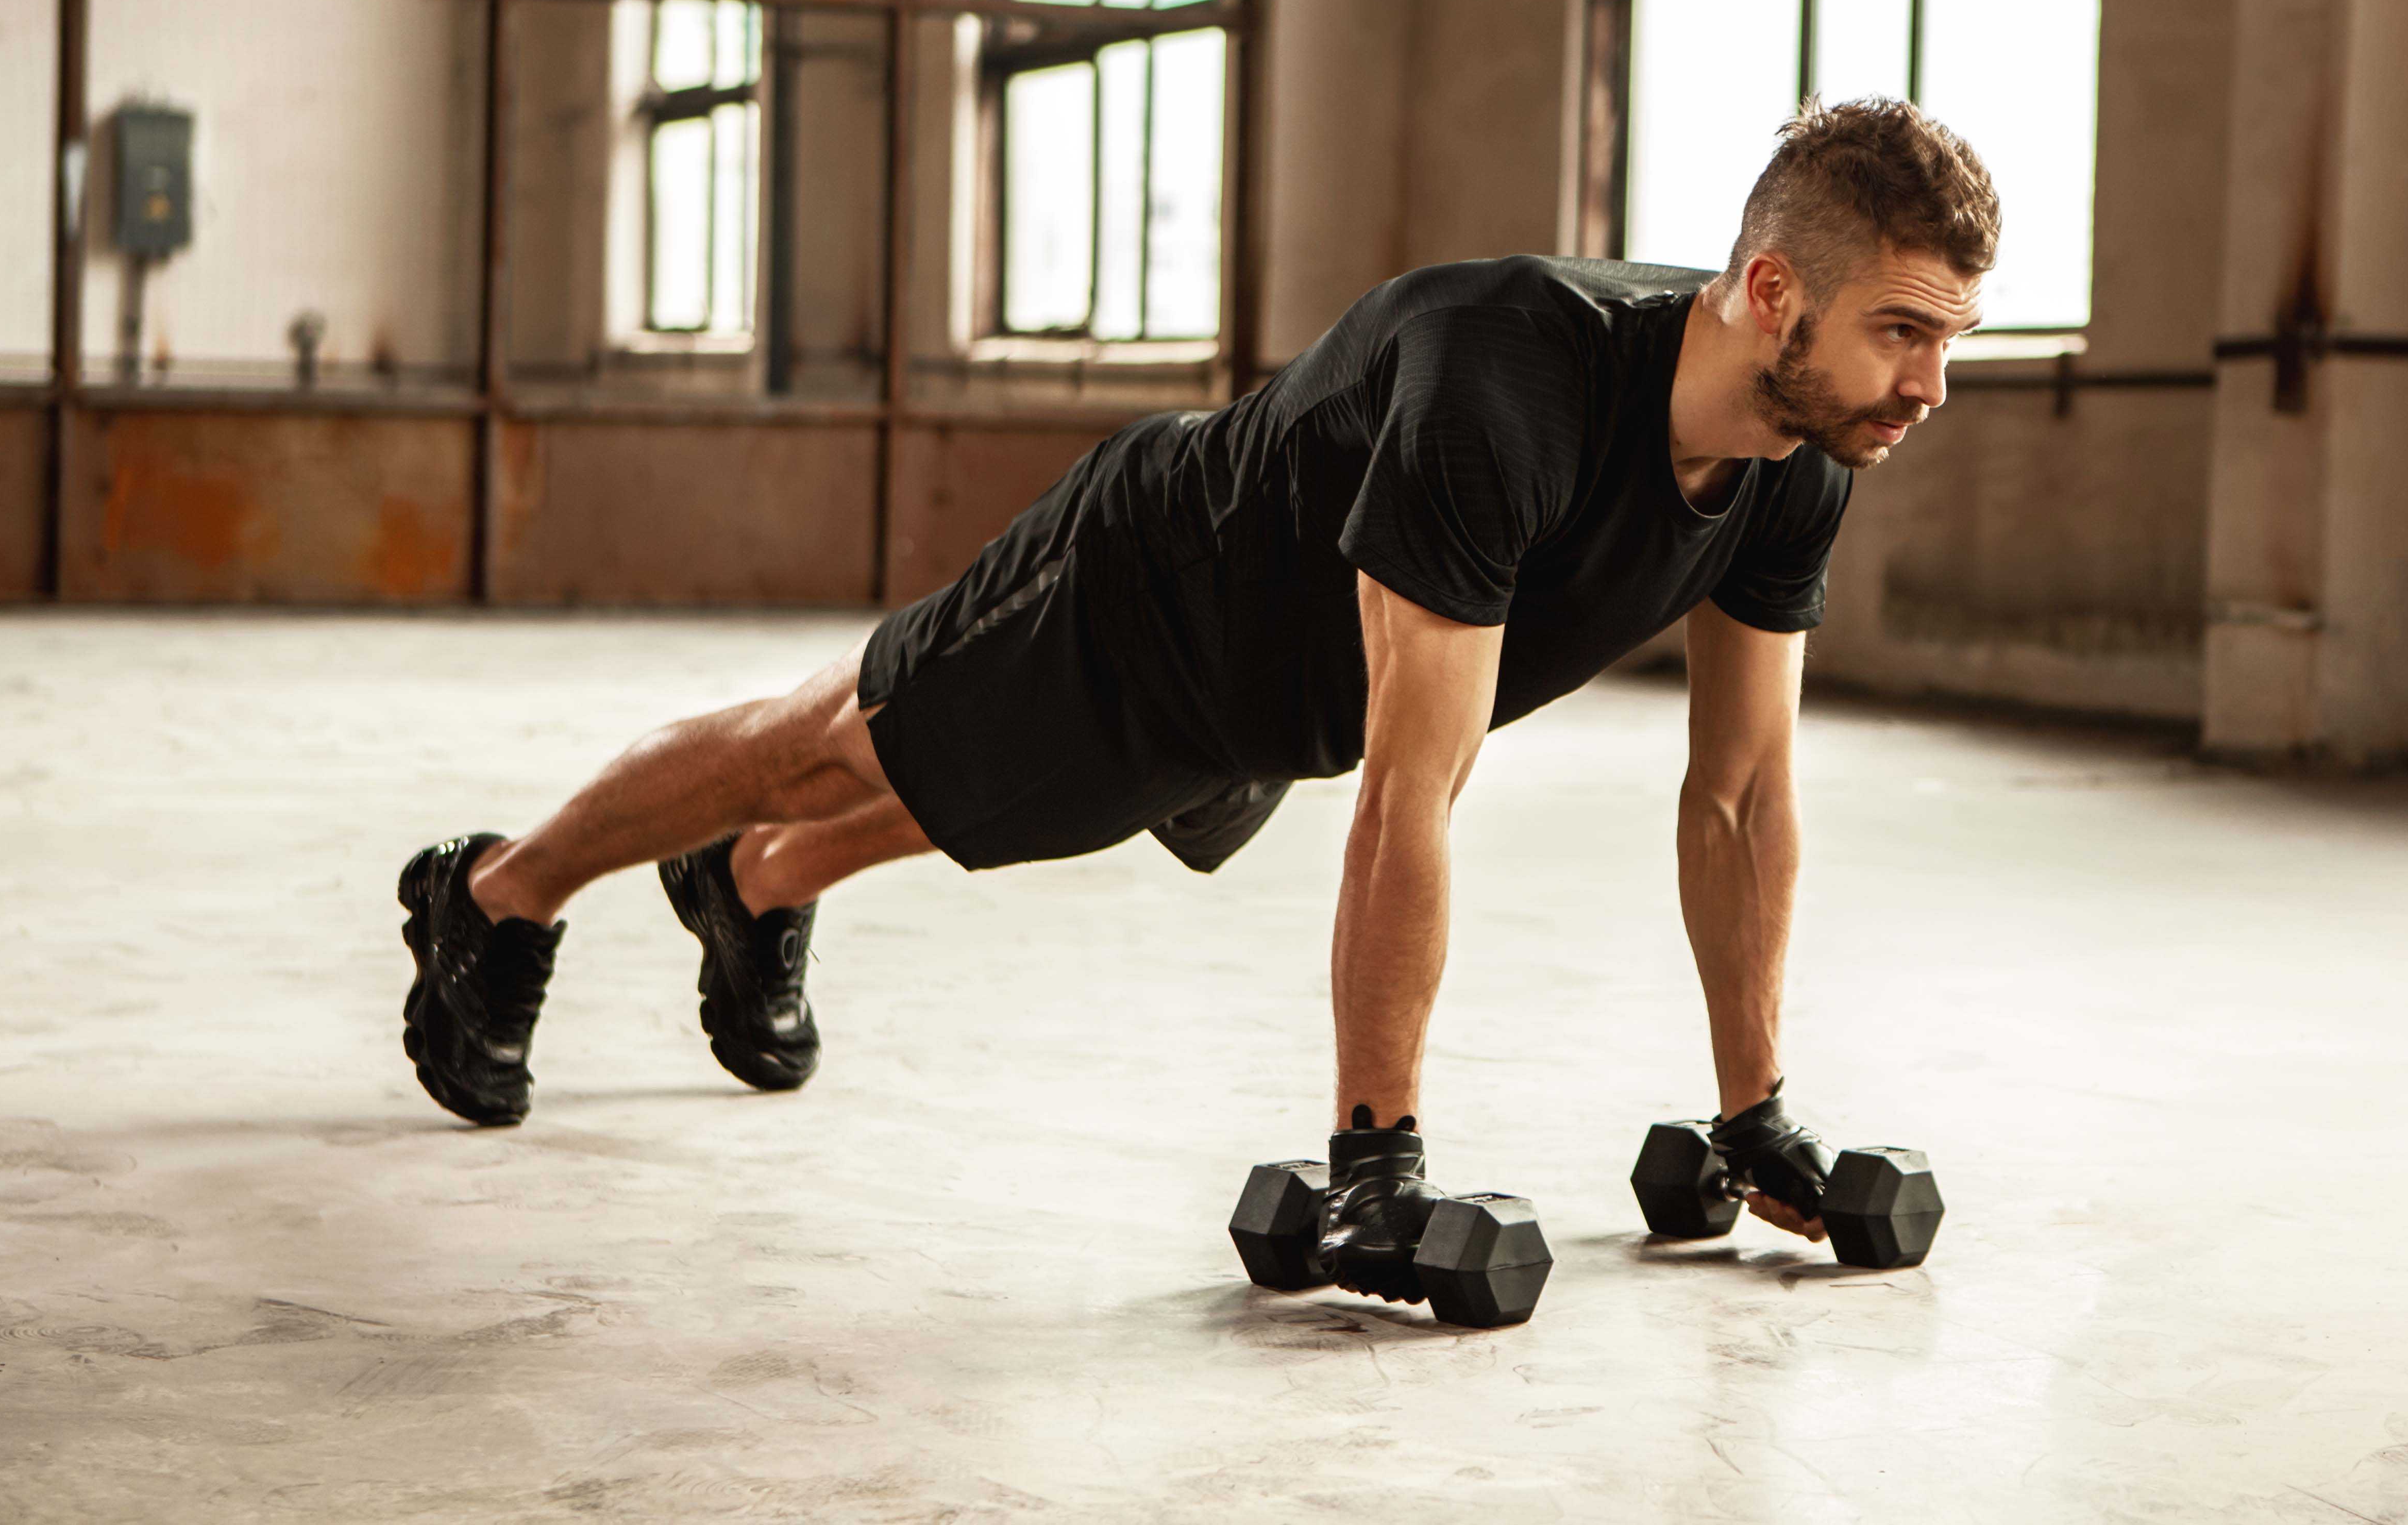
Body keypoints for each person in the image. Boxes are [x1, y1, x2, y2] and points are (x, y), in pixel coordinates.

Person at [395, 97, 1997, 1296]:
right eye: (1903, 334)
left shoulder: (1803, 456)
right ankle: (497, 892)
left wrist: (1755, 1114)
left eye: (1949, 342)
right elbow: (1407, 792)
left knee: (1016, 805)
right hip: (1148, 582)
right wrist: (1375, 1164)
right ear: (1776, 292)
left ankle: (742, 888)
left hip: (1266, 697)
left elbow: (1738, 796)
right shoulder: (1504, 381)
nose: (1927, 388)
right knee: (838, 746)